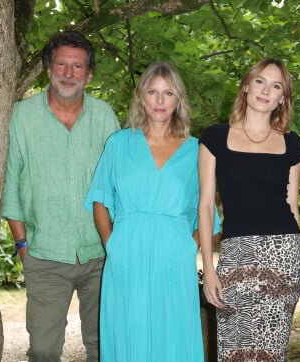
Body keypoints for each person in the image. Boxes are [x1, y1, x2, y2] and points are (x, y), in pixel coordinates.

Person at [84, 61, 218, 361]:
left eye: (168, 93)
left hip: (174, 258)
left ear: (178, 100)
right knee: (128, 333)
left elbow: (207, 211)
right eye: (153, 92)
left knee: (173, 334)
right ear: (141, 96)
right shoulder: (118, 144)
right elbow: (99, 200)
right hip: (126, 255)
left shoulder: (197, 150)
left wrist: (188, 246)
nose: (160, 101)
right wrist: (112, 244)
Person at [1, 30, 119, 361]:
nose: (68, 74)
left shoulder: (105, 116)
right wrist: (22, 245)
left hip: (99, 253)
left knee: (103, 345)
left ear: (89, 74)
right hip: (44, 252)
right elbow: (11, 183)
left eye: (77, 66)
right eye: (61, 65)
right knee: (42, 350)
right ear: (49, 68)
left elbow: (119, 183)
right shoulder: (22, 116)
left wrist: (116, 243)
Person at [198, 58, 300, 361]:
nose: (265, 90)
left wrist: (295, 263)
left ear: (282, 98)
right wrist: (209, 269)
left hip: (283, 255)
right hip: (236, 255)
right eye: (259, 81)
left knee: (271, 354)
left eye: (276, 86)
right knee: (234, 351)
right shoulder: (215, 138)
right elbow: (206, 206)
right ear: (246, 86)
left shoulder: (292, 145)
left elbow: (292, 206)